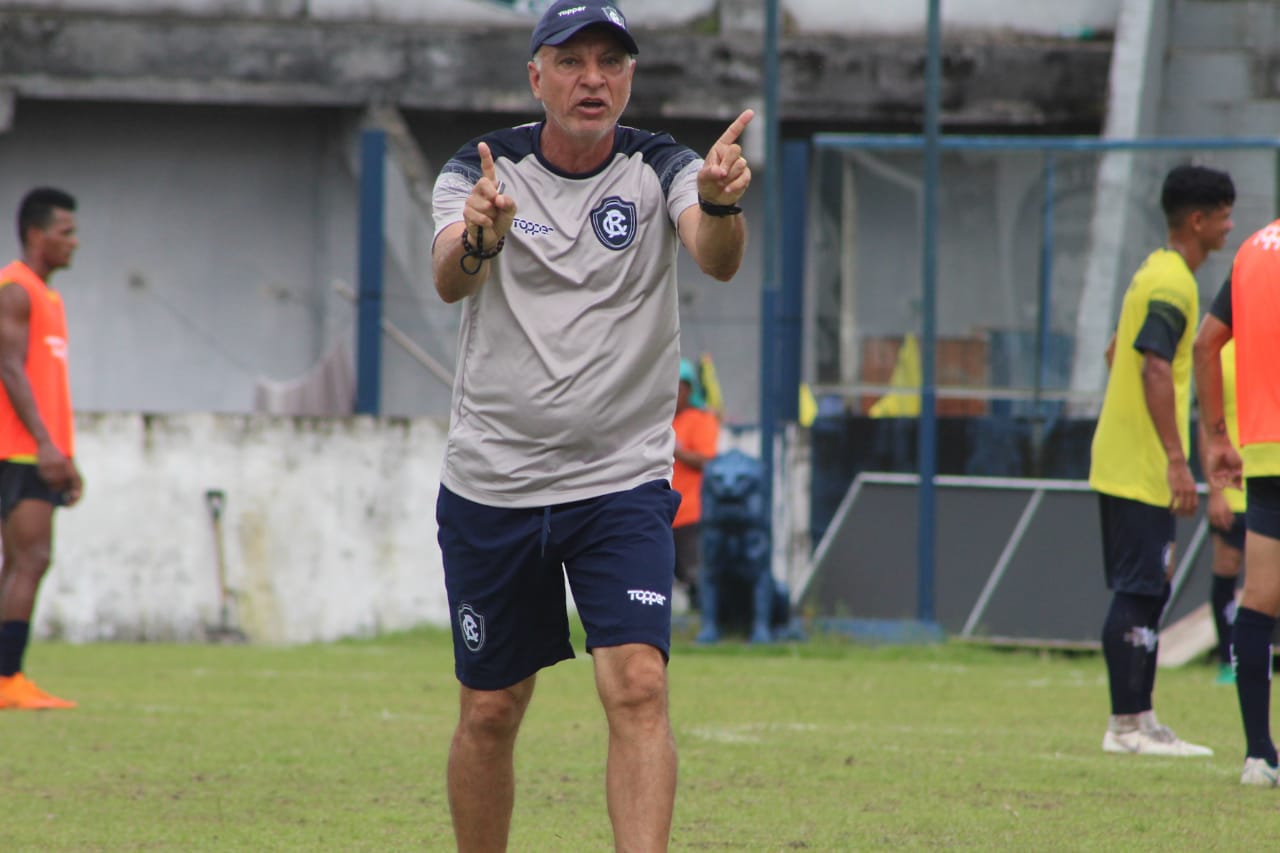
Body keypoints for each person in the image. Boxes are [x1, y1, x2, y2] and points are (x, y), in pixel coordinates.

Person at [428, 0, 753, 848]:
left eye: (611, 61)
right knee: (492, 709)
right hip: (494, 483)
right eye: (571, 61)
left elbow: (715, 259)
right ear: (536, 75)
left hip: (621, 480)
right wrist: (479, 236)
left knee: (639, 684)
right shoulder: (482, 169)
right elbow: (448, 281)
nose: (593, 79)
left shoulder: (663, 168)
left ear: (631, 77)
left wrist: (719, 205)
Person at [1089, 163, 1235, 757]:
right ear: (1197, 221)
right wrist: (1176, 459)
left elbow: (1112, 353)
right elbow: (1151, 363)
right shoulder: (1174, 284)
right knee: (1138, 587)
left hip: (1129, 456)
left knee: (1150, 587)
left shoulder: (1154, 270)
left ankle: (1142, 720)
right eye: (1224, 214)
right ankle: (1126, 726)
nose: (1230, 225)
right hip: (1140, 466)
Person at [1195, 215, 1280, 787]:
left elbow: (1206, 343)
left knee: (1258, 597)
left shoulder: (1253, 248)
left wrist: (1218, 436)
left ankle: (1258, 755)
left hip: (1266, 449)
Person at [0, 187, 83, 711]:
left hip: (40, 450)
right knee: (31, 558)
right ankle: (9, 679)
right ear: (37, 235)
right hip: (21, 450)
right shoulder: (16, 289)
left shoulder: (47, 296)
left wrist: (65, 453)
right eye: (66, 232)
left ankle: (7, 677)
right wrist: (47, 445)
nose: (75, 243)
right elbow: (9, 369)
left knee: (20, 560)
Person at [1196, 336, 1245, 686]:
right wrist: (1215, 492)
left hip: (1267, 478)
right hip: (1232, 485)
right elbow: (1206, 425)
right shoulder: (1218, 353)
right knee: (1227, 567)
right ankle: (1228, 660)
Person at [672, 358, 719, 610]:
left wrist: (676, 450)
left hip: (691, 513)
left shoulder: (701, 419)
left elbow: (707, 459)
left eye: (678, 388)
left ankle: (703, 623)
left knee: (694, 575)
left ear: (689, 390)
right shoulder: (658, 419)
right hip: (658, 513)